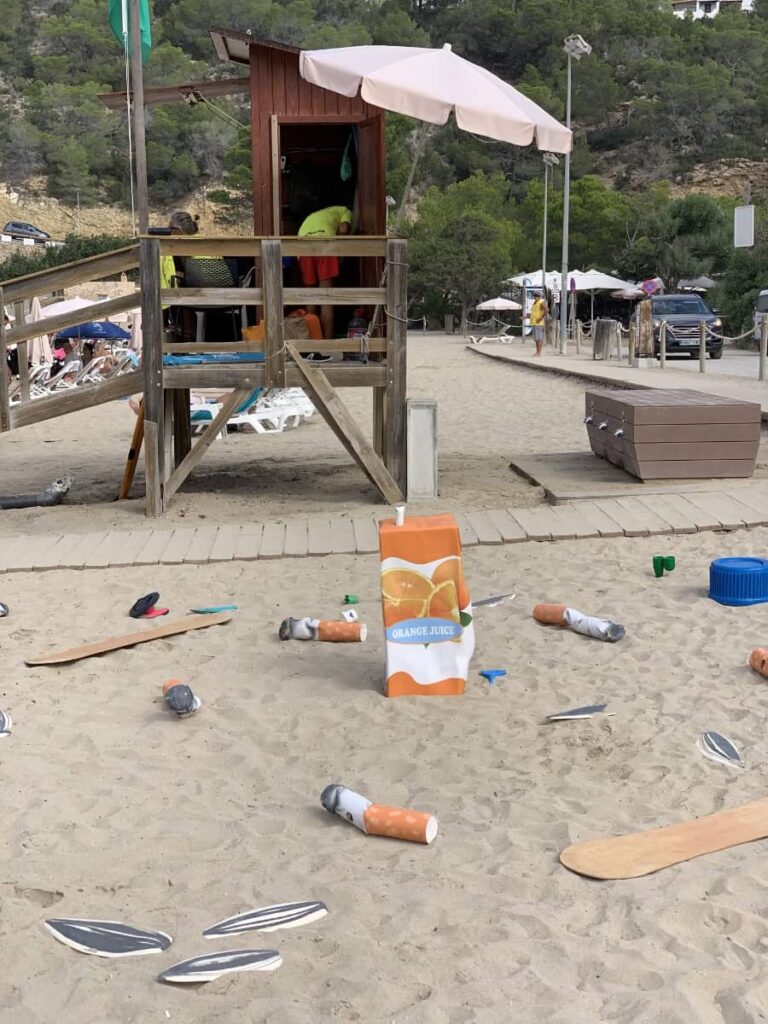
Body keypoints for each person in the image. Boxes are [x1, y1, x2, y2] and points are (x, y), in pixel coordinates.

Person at [297, 205, 353, 339]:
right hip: (324, 242)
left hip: (302, 244)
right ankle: (327, 341)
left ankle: (312, 339)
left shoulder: (316, 214)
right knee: (326, 296)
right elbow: (344, 229)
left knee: (311, 296)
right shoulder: (345, 210)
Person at [530, 290, 548, 356]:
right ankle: (537, 352)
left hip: (539, 323)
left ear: (540, 296)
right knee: (536, 339)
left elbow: (546, 310)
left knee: (539, 338)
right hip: (534, 323)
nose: (535, 297)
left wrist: (540, 318)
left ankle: (538, 352)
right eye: (535, 295)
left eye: (537, 296)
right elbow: (533, 312)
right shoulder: (534, 303)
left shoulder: (541, 302)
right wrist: (526, 316)